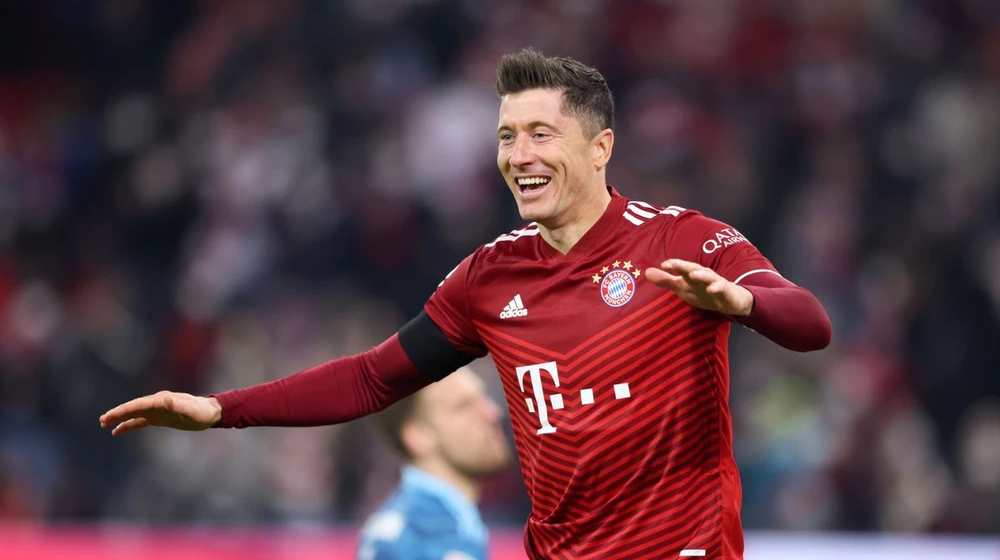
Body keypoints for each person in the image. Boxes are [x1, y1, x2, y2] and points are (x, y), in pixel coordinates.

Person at [100, 48, 832, 559]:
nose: (519, 155)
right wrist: (220, 409)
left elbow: (811, 323)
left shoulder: (682, 239)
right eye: (507, 136)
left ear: (600, 147)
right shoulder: (489, 277)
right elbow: (372, 378)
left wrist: (743, 301)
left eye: (541, 134)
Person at [356, 366, 511, 560]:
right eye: (463, 406)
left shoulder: (445, 527)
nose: (493, 413)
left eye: (483, 397)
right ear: (418, 436)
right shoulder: (412, 541)